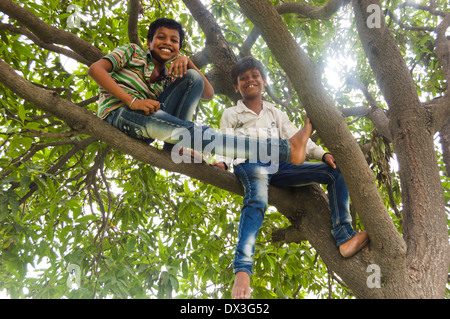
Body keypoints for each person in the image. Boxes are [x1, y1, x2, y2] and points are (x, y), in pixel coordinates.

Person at [211, 56, 369, 299]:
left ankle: (345, 237)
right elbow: (224, 140)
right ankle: (242, 270)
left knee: (334, 171)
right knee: (256, 202)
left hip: (281, 165)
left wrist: (322, 153)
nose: (250, 81)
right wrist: (222, 161)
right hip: (251, 163)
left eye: (255, 76)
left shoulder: (275, 113)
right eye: (243, 79)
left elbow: (296, 138)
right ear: (236, 86)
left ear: (264, 81)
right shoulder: (233, 113)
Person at [88, 18, 312, 166]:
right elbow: (96, 69)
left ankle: (174, 146)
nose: (167, 43)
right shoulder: (133, 52)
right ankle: (286, 150)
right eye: (161, 38)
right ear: (148, 43)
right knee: (199, 134)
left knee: (193, 77)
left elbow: (208, 93)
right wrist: (133, 100)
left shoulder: (169, 75)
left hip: (147, 121)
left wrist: (189, 63)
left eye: (174, 41)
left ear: (178, 47)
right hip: (120, 113)